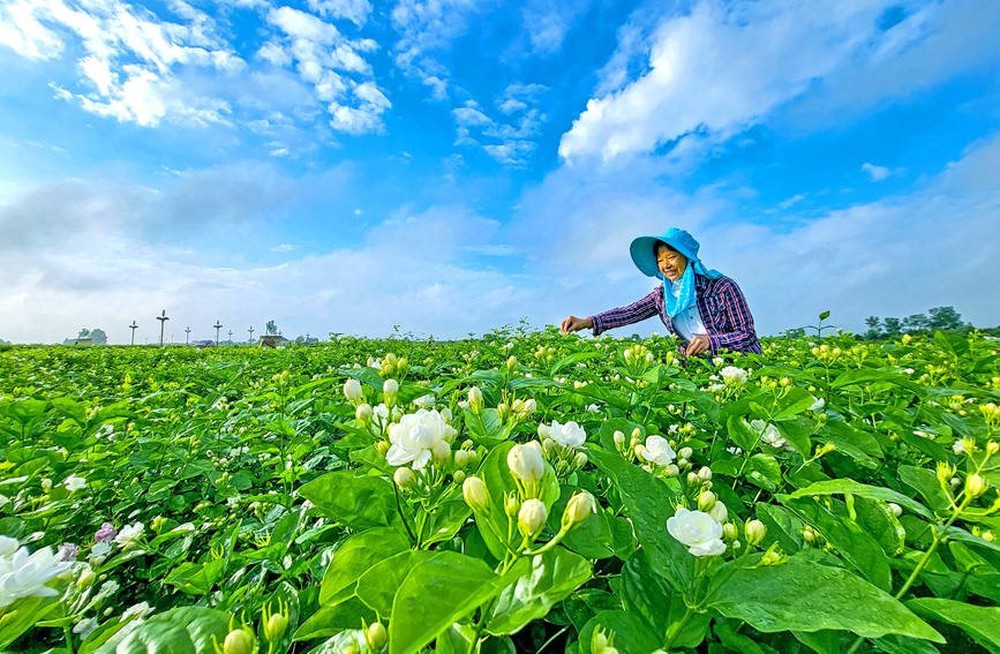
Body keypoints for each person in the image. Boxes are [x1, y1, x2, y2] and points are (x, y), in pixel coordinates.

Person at [561, 227, 761, 355]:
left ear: (687, 257)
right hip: (699, 367)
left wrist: (711, 342)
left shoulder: (722, 287)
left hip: (740, 365)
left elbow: (747, 334)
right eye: (660, 260)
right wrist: (587, 321)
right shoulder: (663, 295)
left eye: (672, 256)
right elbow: (630, 312)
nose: (666, 265)